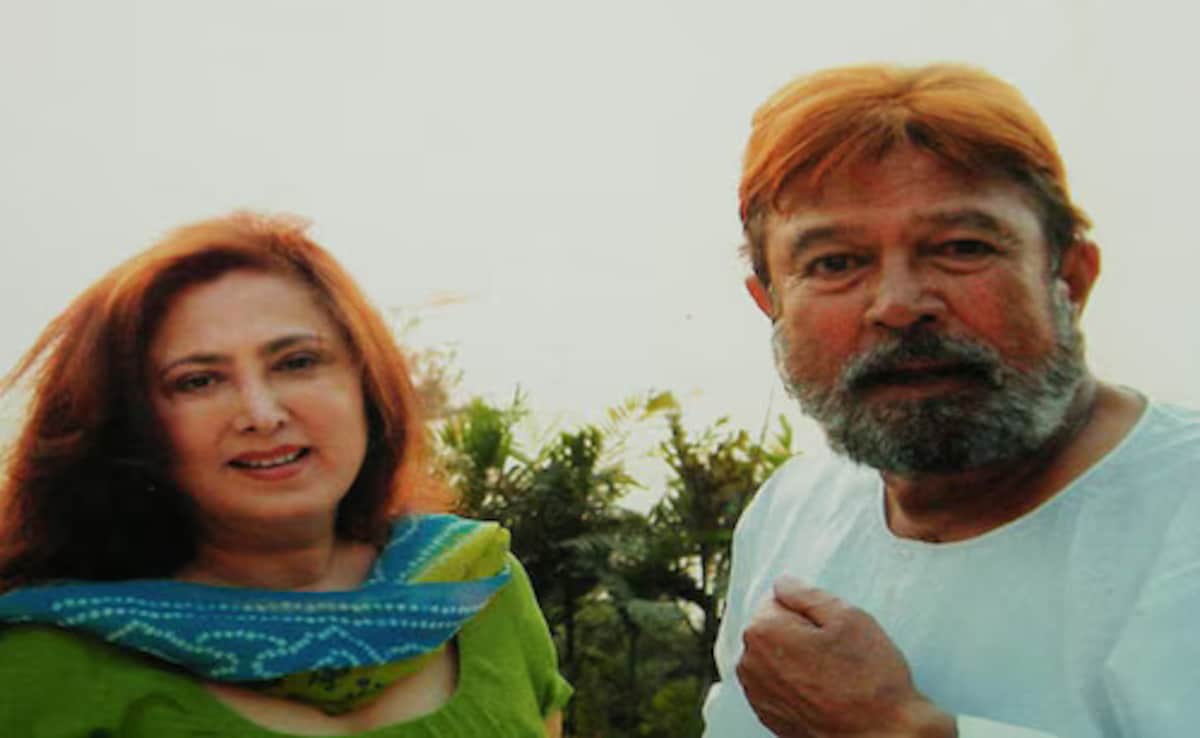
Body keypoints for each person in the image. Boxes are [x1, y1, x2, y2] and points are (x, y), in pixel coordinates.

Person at [702, 63, 1200, 738]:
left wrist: (897, 730)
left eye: (961, 248)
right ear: (771, 304)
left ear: (1070, 278)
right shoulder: (791, 511)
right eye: (836, 263)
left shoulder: (1182, 505)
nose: (900, 305)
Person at [0, 213, 571, 737]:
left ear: (365, 383)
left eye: (297, 362)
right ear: (129, 425)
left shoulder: (477, 589)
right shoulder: (44, 664)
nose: (262, 413)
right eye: (199, 381)